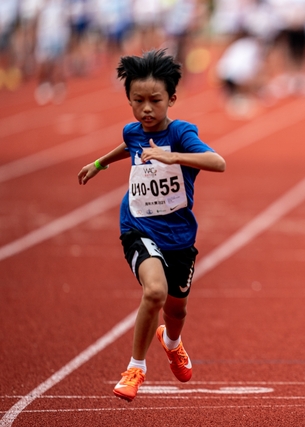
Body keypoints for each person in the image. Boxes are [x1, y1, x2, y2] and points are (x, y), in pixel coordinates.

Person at [77, 49, 226, 402]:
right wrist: (99, 164)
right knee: (155, 292)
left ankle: (171, 343)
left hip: (179, 235)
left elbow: (217, 162)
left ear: (171, 99)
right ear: (129, 100)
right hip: (138, 227)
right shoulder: (133, 132)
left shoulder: (181, 133)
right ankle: (135, 368)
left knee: (176, 309)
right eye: (137, 100)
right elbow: (129, 144)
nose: (146, 109)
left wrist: (171, 156)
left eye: (155, 101)